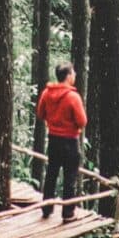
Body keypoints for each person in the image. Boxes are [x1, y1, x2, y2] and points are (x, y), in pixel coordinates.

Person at [37, 63, 88, 220]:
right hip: (70, 142)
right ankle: (68, 213)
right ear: (68, 75)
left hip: (53, 140)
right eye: (73, 73)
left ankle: (46, 209)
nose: (75, 75)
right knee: (70, 177)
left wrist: (53, 123)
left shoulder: (46, 93)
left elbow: (40, 113)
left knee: (51, 174)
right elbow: (82, 121)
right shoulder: (73, 97)